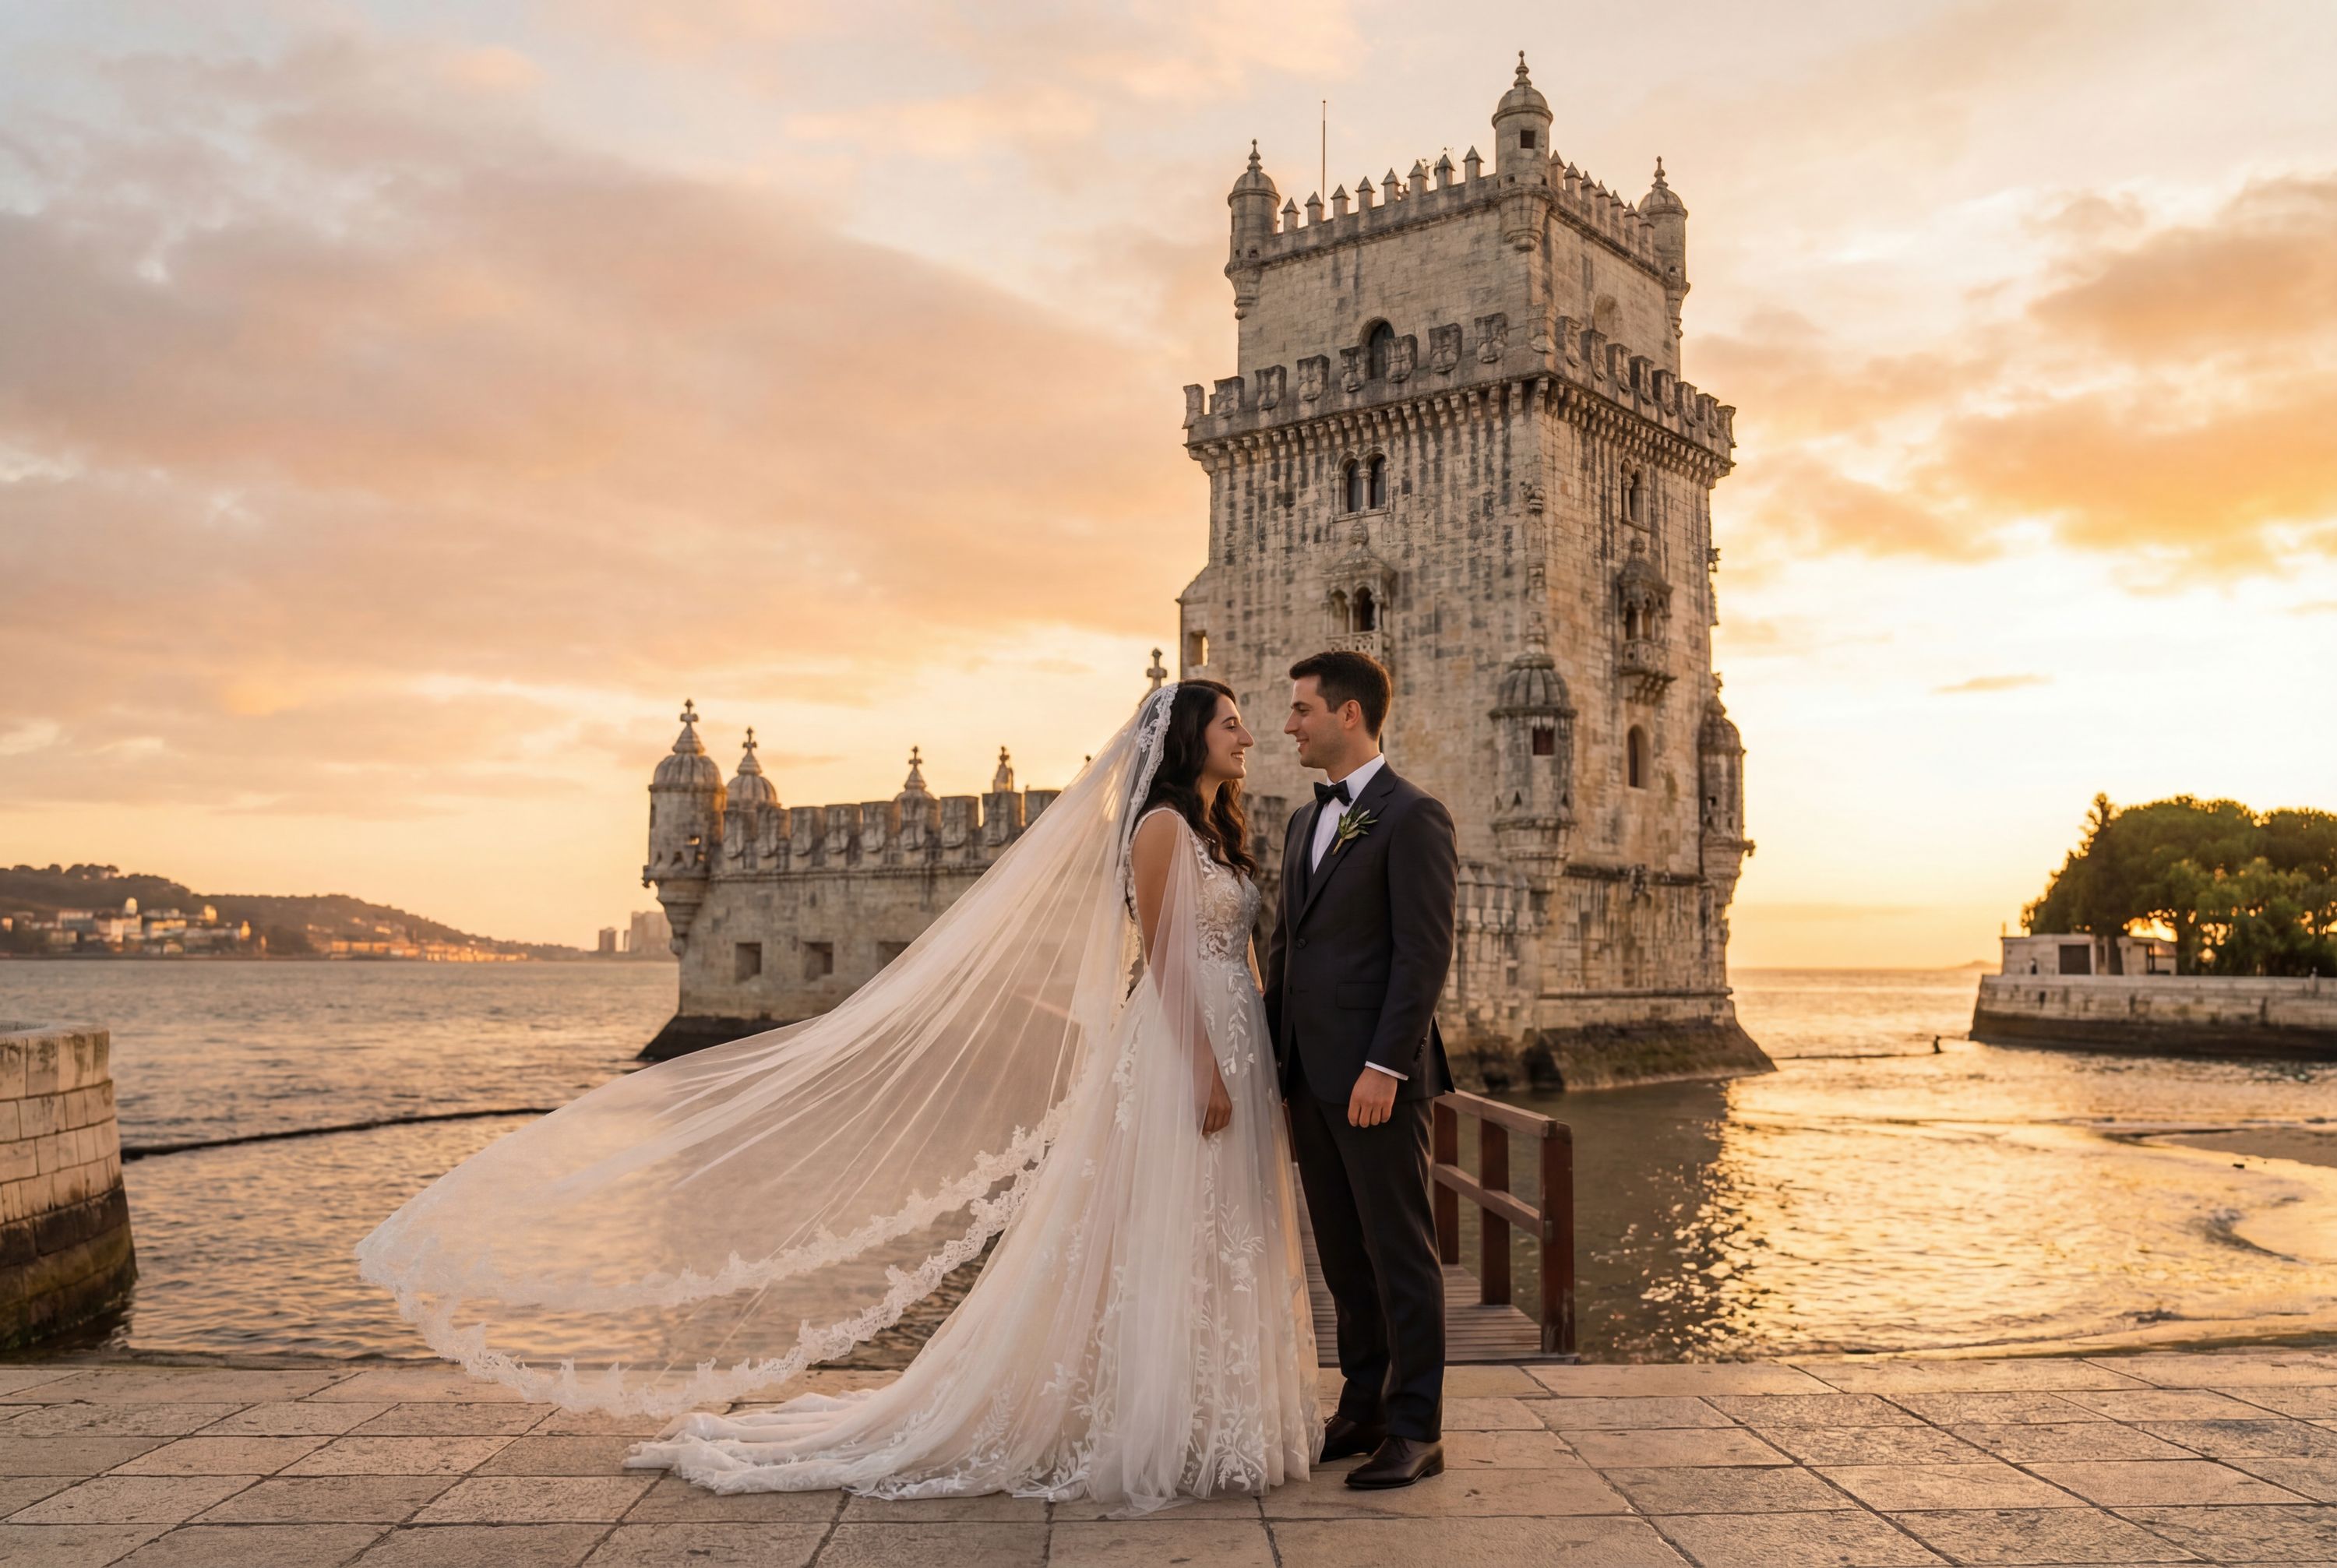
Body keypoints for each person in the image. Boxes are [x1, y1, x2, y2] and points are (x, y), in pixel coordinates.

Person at [357, 680, 1317, 1517]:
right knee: (1165, 1229)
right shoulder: (1157, 829)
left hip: (1234, 1043)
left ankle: (1210, 1414)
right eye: (1230, 723)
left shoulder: (1215, 832)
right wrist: (1202, 1068)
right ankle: (1153, 1425)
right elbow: (1165, 962)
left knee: (1218, 1231)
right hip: (1186, 1049)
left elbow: (1232, 958)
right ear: (1189, 738)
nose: (1246, 735)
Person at [1262, 650, 1459, 1489]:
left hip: (1378, 1078)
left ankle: (1418, 1427)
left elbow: (1423, 954)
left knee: (1399, 1253)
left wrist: (1386, 1063)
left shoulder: (1414, 816)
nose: (1289, 724)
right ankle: (1364, 1404)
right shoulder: (1305, 824)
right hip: (1309, 1074)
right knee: (1342, 1256)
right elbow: (1287, 948)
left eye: (1302, 709)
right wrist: (1276, 1068)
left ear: (1349, 714)